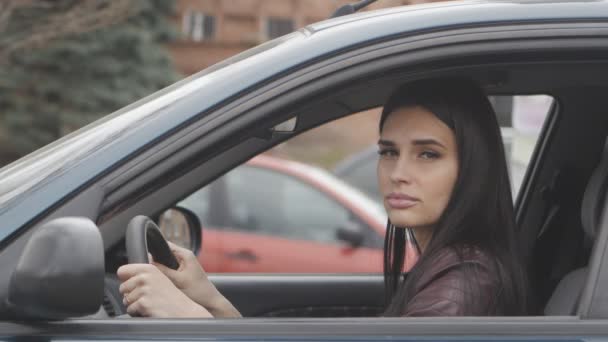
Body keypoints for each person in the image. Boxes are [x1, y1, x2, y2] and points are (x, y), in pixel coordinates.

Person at [116, 77, 529, 318]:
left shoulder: (463, 288)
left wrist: (188, 320)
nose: (398, 173)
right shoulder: (449, 267)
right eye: (388, 152)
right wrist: (209, 300)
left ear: (472, 167)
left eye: (428, 154)